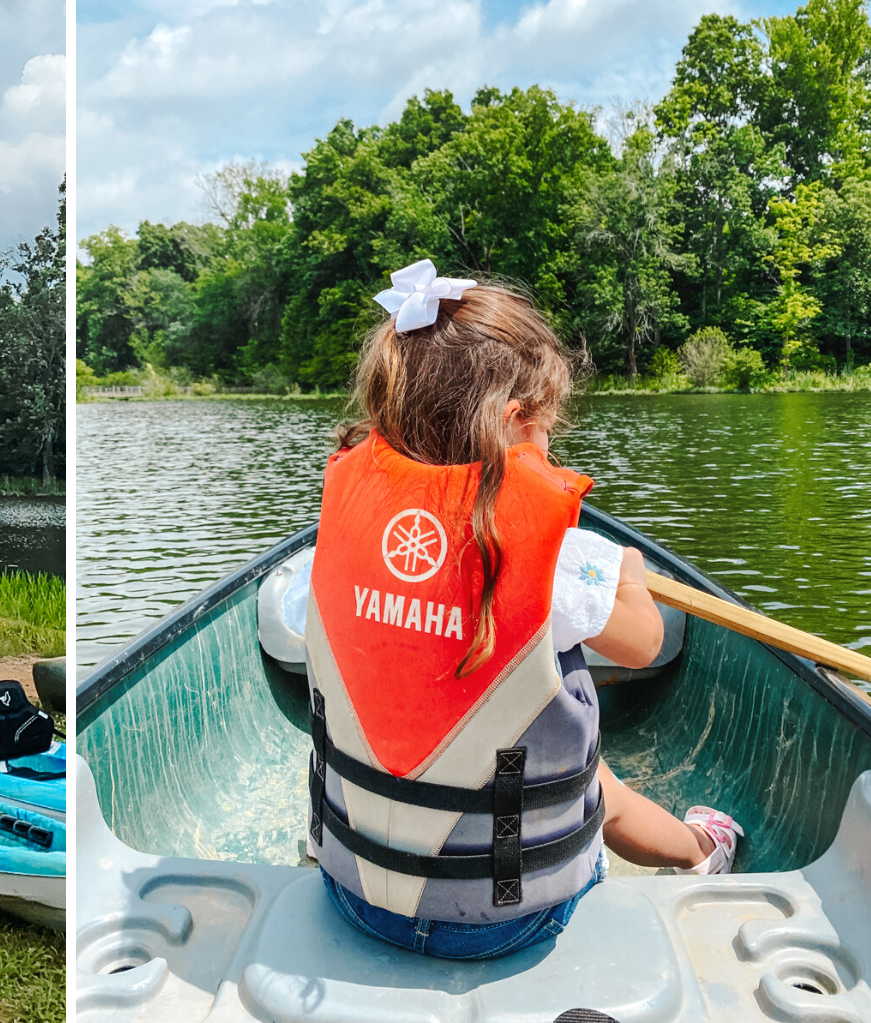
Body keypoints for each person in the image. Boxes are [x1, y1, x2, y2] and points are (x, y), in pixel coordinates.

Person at [306, 259, 742, 961]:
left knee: (511, 742)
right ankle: (702, 853)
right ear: (515, 421)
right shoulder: (564, 557)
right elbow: (645, 642)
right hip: (510, 918)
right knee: (582, 773)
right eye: (546, 427)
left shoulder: (348, 520)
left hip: (353, 893)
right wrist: (625, 570)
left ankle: (692, 848)